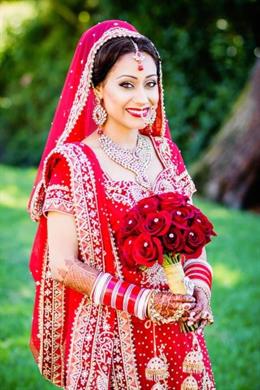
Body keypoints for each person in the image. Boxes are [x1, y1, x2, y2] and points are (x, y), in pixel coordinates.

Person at [28, 20, 215, 390]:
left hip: (179, 339)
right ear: (97, 89)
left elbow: (195, 245)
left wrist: (199, 290)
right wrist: (144, 302)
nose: (142, 98)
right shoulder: (73, 163)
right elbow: (63, 265)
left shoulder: (167, 154)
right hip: (108, 344)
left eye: (150, 85)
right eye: (126, 85)